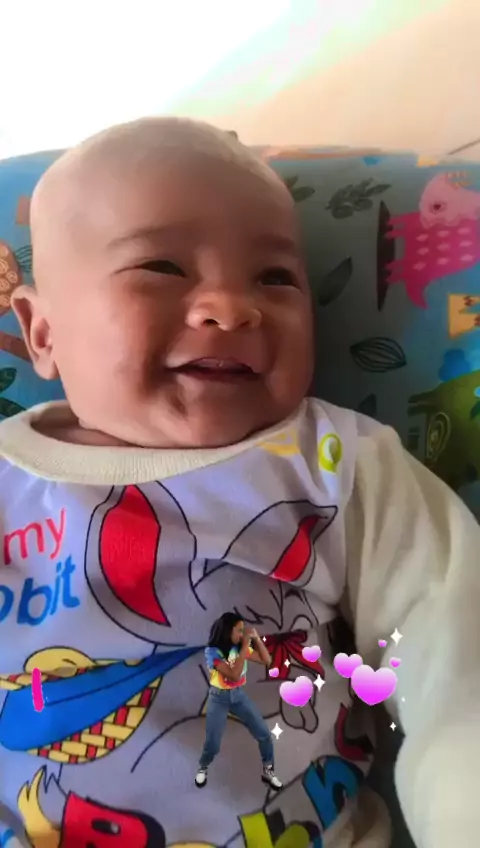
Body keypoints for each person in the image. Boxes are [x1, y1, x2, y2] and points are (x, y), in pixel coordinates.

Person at [0, 116, 478, 848]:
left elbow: (451, 646)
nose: (231, 306)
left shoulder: (331, 461)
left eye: (275, 278)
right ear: (42, 332)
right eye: (162, 267)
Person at [196, 612, 281, 789]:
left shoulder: (240, 648)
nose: (242, 634)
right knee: (213, 743)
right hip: (218, 698)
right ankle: (203, 766)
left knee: (264, 734)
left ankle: (268, 770)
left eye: (243, 630)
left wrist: (256, 639)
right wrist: (244, 647)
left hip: (238, 696)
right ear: (228, 631)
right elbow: (233, 675)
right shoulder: (212, 652)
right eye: (239, 630)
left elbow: (267, 660)